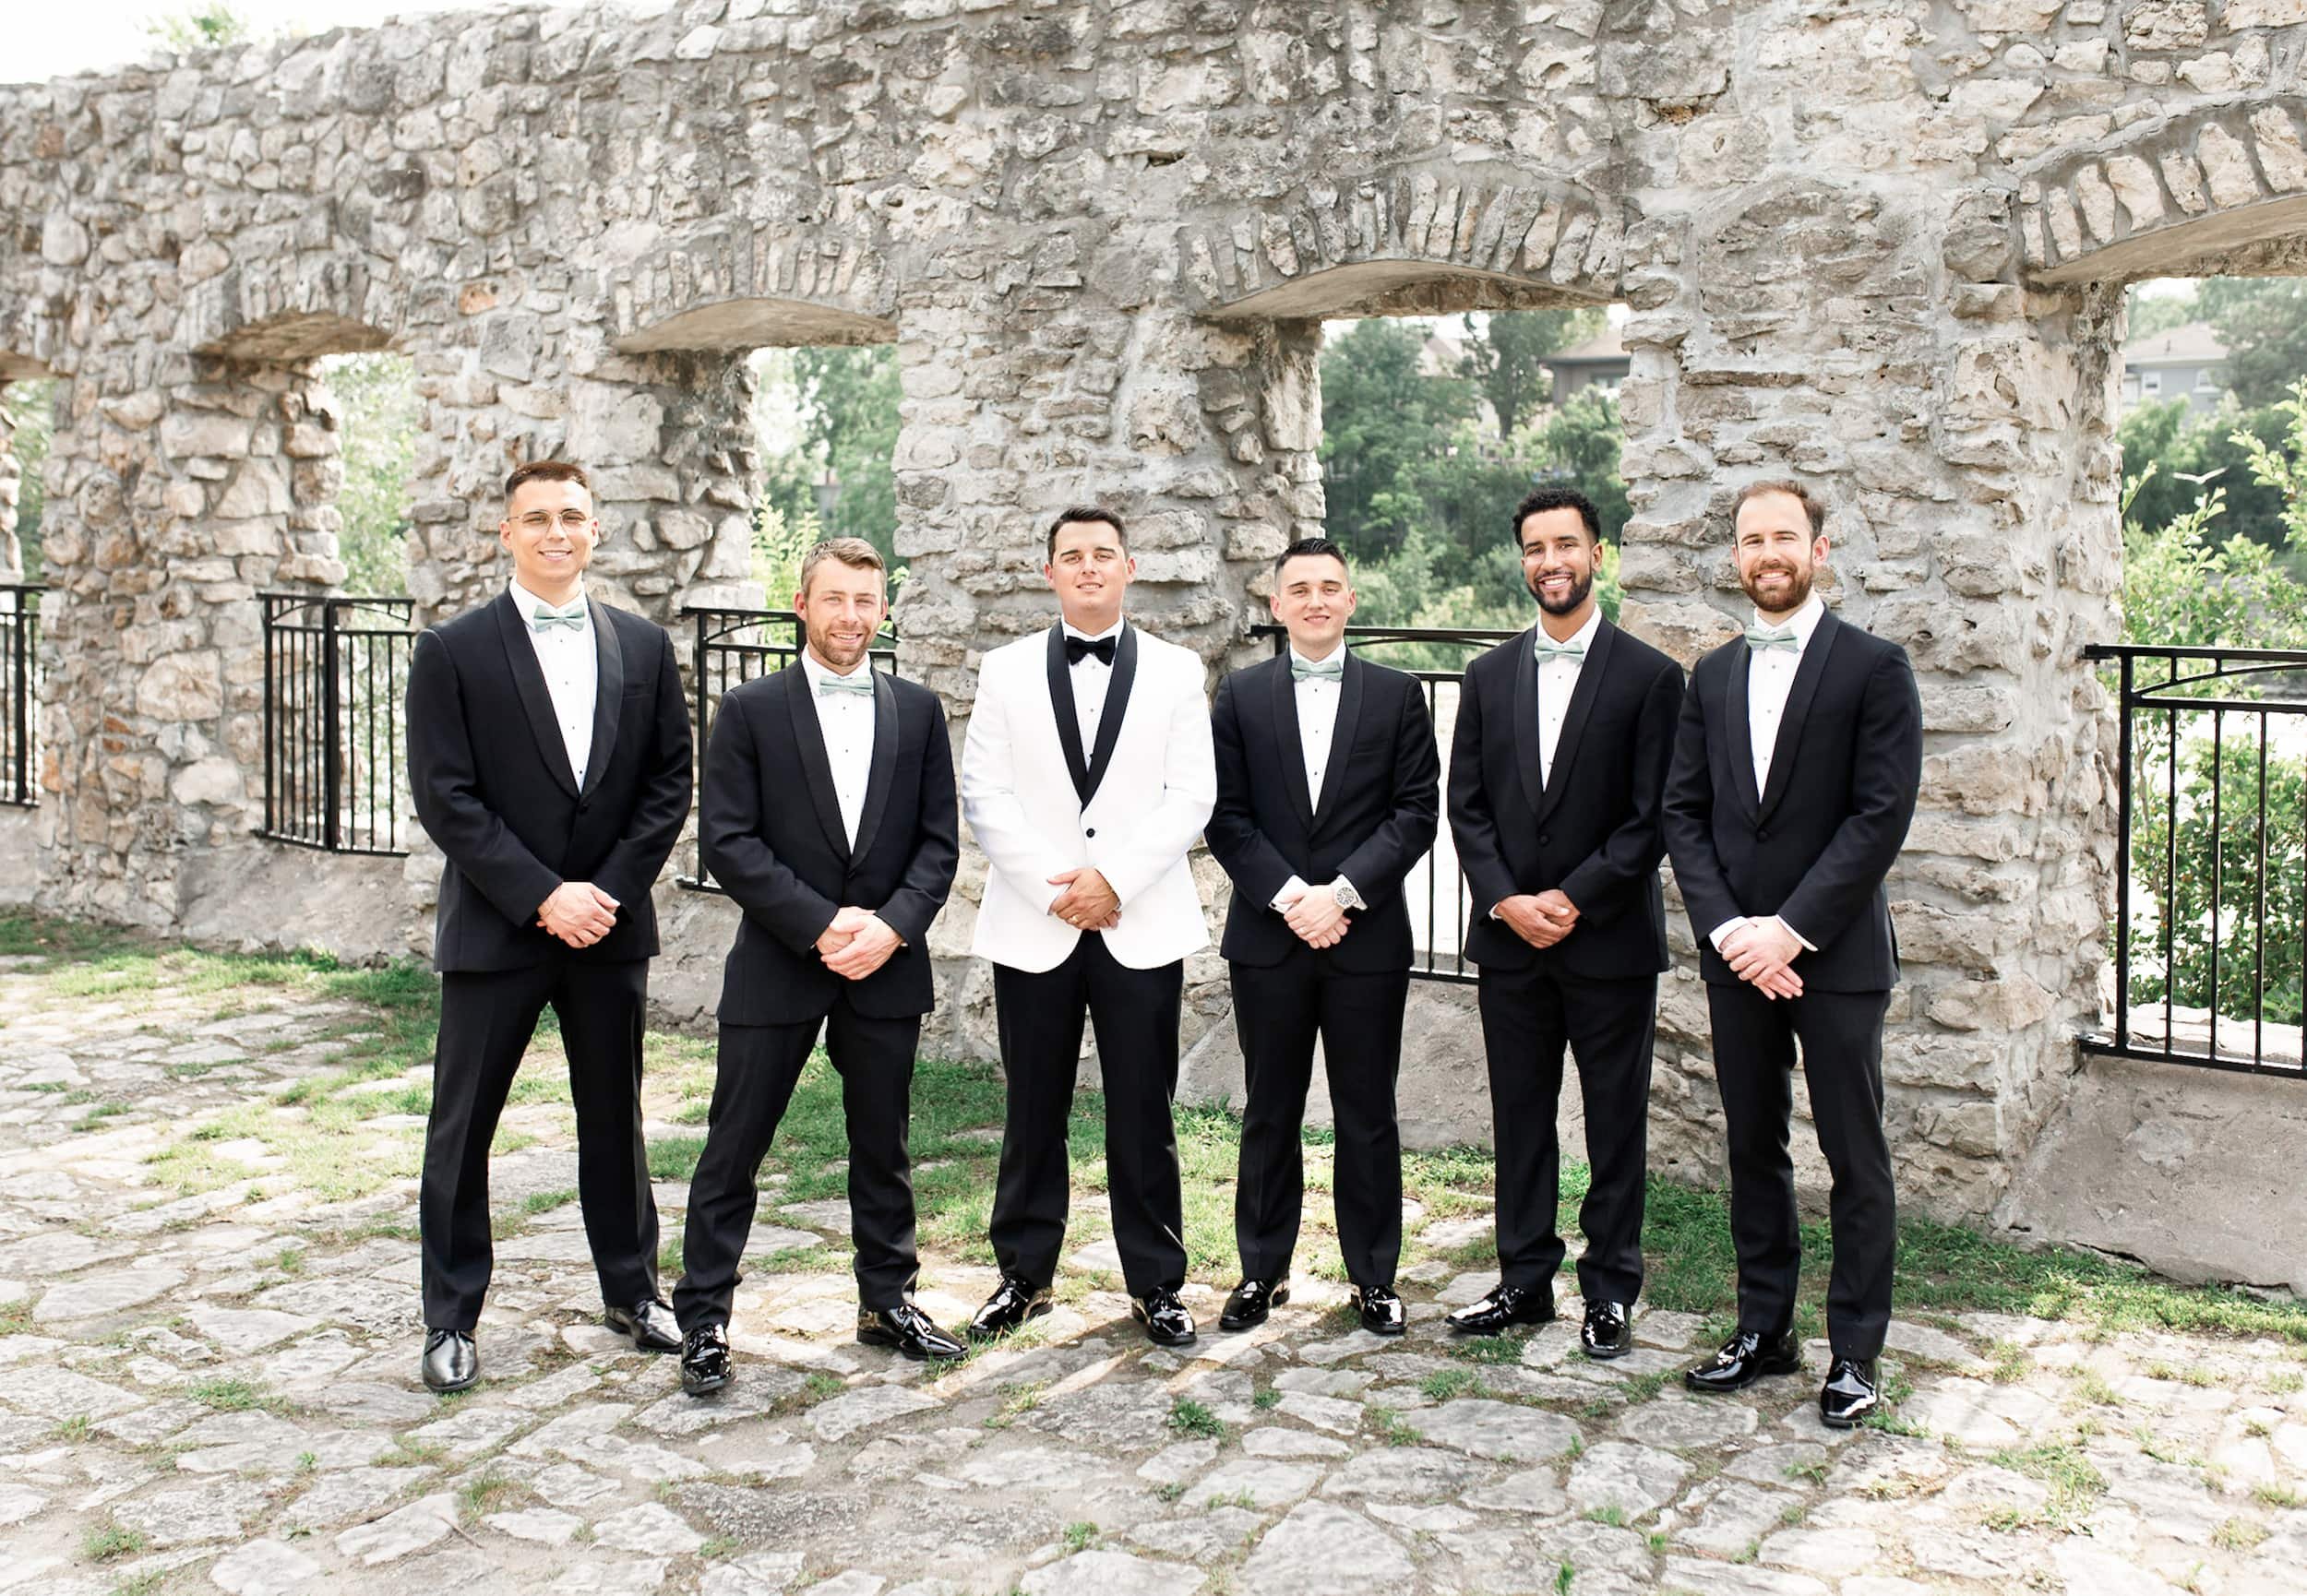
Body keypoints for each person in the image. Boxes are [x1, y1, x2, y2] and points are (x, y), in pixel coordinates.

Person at [405, 460, 692, 1393]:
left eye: (572, 515)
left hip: (608, 924)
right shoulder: (452, 650)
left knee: (614, 1116)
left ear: (596, 530)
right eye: (537, 518)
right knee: (463, 1125)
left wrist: (600, 892)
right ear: (507, 533)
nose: (555, 530)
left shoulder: (646, 648)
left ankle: (633, 1287)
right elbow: (448, 799)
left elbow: (665, 785)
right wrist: (541, 894)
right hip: (498, 926)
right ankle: (451, 1315)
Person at [671, 538, 962, 1393]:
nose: (851, 617)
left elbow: (938, 844)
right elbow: (727, 839)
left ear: (884, 610)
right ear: (802, 604)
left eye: (866, 601)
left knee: (885, 1146)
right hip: (780, 958)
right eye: (834, 599)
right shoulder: (751, 710)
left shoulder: (918, 711)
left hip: (886, 963)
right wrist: (819, 922)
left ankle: (888, 1302)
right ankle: (706, 1320)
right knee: (735, 1143)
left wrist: (893, 927)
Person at [1662, 478, 1921, 1428]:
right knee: (1752, 1143)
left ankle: (1854, 1350)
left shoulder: (1874, 666)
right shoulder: (1713, 673)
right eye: (1750, 539)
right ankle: (1762, 1326)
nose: (1766, 553)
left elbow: (1878, 814)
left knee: (1855, 1152)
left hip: (1836, 951)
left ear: (1819, 547)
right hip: (1737, 954)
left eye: (1783, 536)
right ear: (1736, 556)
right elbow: (1684, 813)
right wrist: (1732, 929)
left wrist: (1790, 928)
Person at [960, 506, 1217, 1348]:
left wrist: (1116, 881)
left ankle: (1157, 1281)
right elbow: (986, 795)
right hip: (1037, 922)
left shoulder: (1180, 672)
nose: (1088, 568)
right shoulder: (1002, 671)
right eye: (1071, 556)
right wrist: (1055, 889)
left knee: (1144, 1107)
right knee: (1033, 1108)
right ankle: (1022, 1275)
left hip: (1139, 918)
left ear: (1129, 568)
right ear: (1050, 573)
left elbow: (1193, 795)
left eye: (1103, 554)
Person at [1446, 485, 1684, 1356]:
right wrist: (1507, 899)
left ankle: (1611, 1286)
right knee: (1520, 1113)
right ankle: (1523, 1279)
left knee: (1614, 1117)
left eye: (1567, 545)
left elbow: (1653, 815)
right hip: (1510, 941)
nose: (1551, 562)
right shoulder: (1486, 675)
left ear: (1597, 554)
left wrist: (1574, 898)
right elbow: (1466, 806)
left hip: (1609, 940)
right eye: (1536, 548)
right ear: (1523, 562)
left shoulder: (1653, 677)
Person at [1204, 537, 1438, 1337]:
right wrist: (1288, 897)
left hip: (1364, 938)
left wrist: (1340, 895)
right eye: (1298, 588)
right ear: (1276, 604)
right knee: (1269, 1107)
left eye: (1329, 587)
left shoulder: (1398, 695)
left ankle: (1374, 1277)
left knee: (1367, 1109)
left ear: (1350, 600)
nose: (1314, 600)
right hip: (1268, 938)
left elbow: (1415, 814)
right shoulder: (1238, 697)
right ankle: (1261, 1272)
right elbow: (1225, 814)